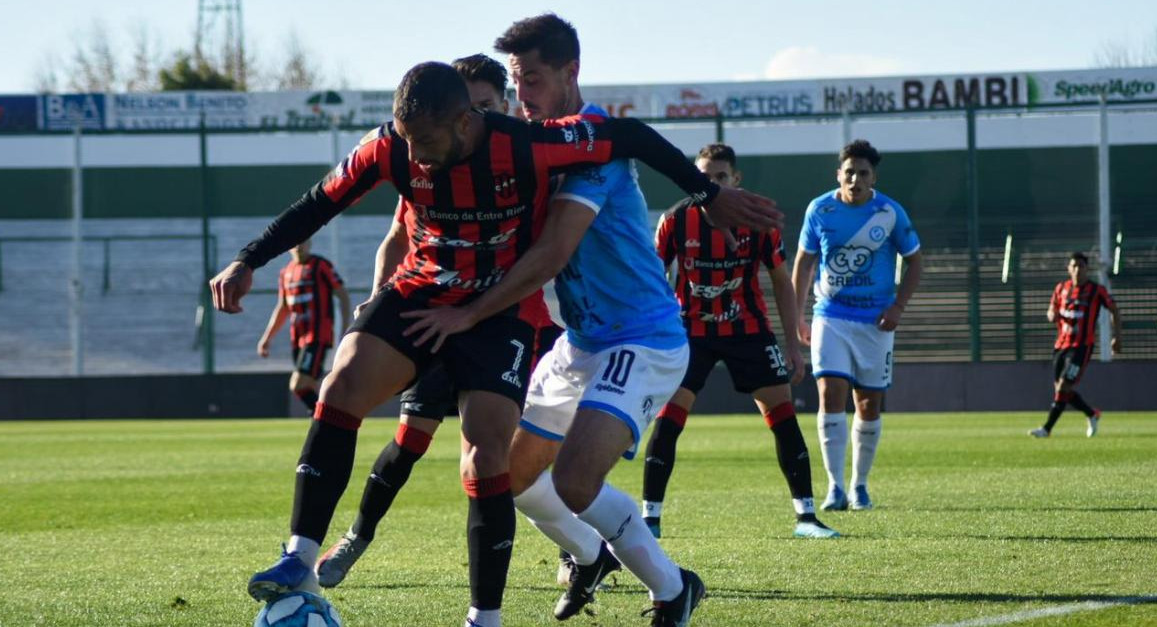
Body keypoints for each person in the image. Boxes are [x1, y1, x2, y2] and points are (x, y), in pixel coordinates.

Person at [209, 60, 779, 627]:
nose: (417, 155)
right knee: (341, 384)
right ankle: (300, 558)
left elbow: (626, 136)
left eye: (427, 141)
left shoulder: (529, 144)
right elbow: (319, 202)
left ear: (464, 122)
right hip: (424, 290)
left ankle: (486, 617)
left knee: (487, 455)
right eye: (408, 140)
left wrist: (706, 193)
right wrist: (247, 260)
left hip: (499, 311)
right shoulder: (390, 147)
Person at [400, 15, 777, 626]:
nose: (524, 97)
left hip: (644, 339)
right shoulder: (532, 141)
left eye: (535, 80)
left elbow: (553, 252)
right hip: (581, 343)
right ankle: (586, 554)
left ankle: (672, 588)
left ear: (571, 72)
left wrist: (469, 314)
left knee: (575, 479)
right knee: (506, 476)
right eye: (517, 83)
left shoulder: (591, 146)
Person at [314, 53, 561, 589]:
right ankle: (356, 535)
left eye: (485, 106)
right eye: (467, 106)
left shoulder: (528, 157)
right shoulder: (431, 162)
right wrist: (379, 301)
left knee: (514, 454)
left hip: (517, 324)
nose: (474, 117)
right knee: (409, 439)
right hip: (435, 318)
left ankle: (575, 548)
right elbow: (399, 238)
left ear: (503, 107)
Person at [640, 143, 838, 541]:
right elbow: (649, 276)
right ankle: (651, 521)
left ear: (736, 179)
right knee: (668, 423)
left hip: (747, 330)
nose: (711, 184)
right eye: (704, 176)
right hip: (690, 333)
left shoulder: (758, 220)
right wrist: (653, 335)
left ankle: (807, 518)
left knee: (782, 418)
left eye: (720, 177)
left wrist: (792, 343)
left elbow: (781, 279)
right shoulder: (675, 220)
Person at [791, 139, 922, 512]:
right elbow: (803, 264)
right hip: (830, 316)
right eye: (849, 172)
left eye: (862, 173)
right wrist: (799, 315)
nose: (855, 179)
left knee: (868, 403)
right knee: (830, 393)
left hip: (876, 323)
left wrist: (898, 306)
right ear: (839, 174)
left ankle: (859, 486)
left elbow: (916, 262)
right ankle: (833, 487)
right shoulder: (820, 209)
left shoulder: (889, 212)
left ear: (873, 177)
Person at [1028, 252, 1121, 438]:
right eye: (1074, 266)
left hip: (1081, 347)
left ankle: (1046, 429)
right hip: (1061, 345)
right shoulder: (1061, 288)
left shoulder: (1096, 290)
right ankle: (1092, 414)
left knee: (1063, 387)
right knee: (1062, 391)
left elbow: (1114, 310)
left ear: (1087, 269)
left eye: (1081, 266)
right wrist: (1051, 315)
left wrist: (1117, 336)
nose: (1078, 270)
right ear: (1069, 269)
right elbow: (1051, 310)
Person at [257, 238, 350, 414]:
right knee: (310, 385)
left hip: (317, 336)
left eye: (303, 242)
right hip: (297, 338)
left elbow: (342, 295)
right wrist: (266, 338)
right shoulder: (286, 272)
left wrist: (345, 328)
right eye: (295, 243)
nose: (299, 246)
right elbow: (283, 307)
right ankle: (325, 419)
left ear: (310, 244)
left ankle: (324, 418)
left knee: (298, 384)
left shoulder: (320, 265)